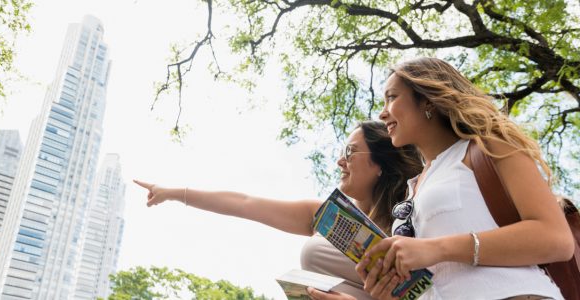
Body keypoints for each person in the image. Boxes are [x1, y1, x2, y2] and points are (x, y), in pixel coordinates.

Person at [357, 57, 574, 299]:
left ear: (427, 100)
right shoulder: (413, 189)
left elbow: (557, 239)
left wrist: (437, 248)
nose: (382, 113)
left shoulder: (489, 146)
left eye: (392, 97)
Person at [134, 121, 422, 300]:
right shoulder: (322, 215)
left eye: (349, 152)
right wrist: (173, 193)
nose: (339, 162)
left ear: (380, 163)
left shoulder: (412, 225)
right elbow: (244, 204)